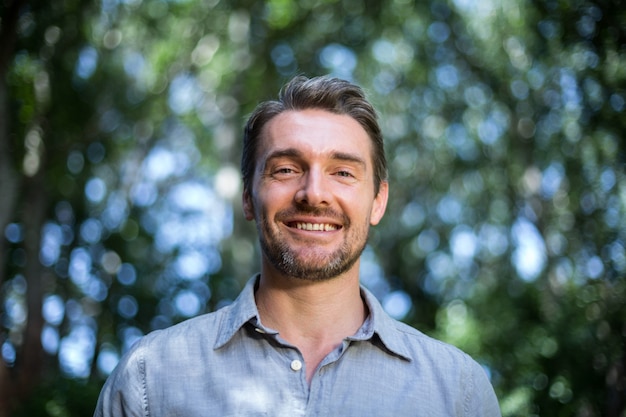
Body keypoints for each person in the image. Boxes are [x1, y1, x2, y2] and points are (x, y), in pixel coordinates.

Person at [94, 75, 501, 416]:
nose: (313, 193)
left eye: (342, 172)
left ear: (378, 201)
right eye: (286, 169)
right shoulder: (150, 378)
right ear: (249, 197)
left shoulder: (457, 392)